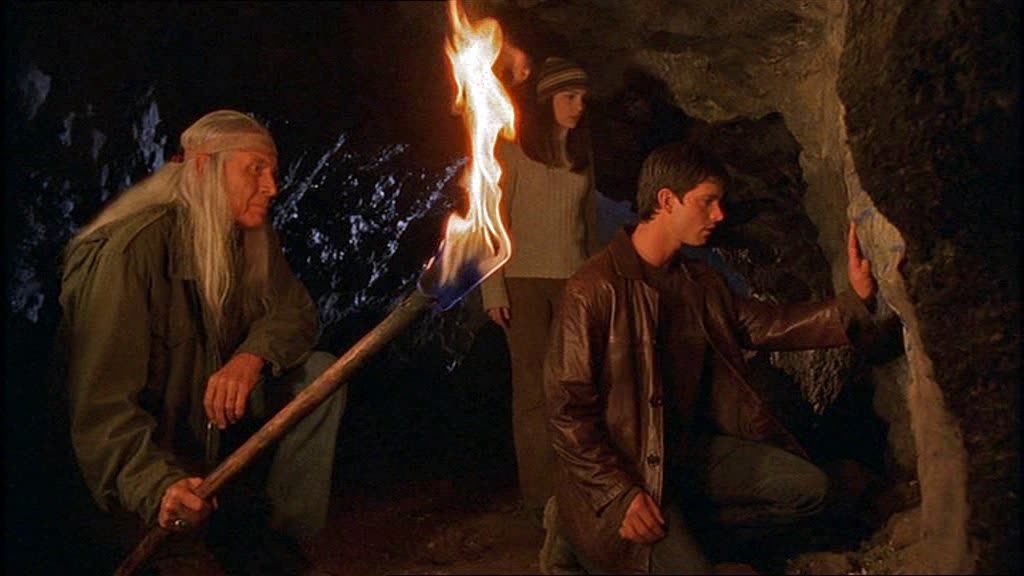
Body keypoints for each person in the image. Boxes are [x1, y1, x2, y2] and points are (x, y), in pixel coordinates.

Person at [543, 141, 878, 574]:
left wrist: (853, 301)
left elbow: (768, 324)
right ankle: (574, 528)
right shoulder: (592, 289)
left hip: (686, 457)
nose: (719, 215)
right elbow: (567, 412)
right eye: (707, 201)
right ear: (667, 200)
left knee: (810, 490)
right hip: (626, 469)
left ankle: (688, 536)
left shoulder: (699, 283)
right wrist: (617, 494)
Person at [57, 109, 346, 573]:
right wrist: (157, 488)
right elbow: (101, 410)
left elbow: (294, 312)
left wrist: (252, 356)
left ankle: (274, 539)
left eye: (272, 172)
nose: (272, 187)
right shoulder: (131, 254)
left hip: (211, 437)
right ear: (201, 167)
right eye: (255, 169)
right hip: (145, 465)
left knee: (319, 374)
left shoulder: (250, 239)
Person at [479, 57, 602, 524]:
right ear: (547, 100)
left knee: (574, 386)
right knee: (532, 391)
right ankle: (539, 497)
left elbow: (590, 229)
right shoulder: (513, 153)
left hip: (573, 282)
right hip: (524, 282)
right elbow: (494, 224)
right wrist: (494, 291)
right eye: (570, 97)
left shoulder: (583, 158)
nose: (578, 106)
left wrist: (596, 286)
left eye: (582, 98)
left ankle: (576, 490)